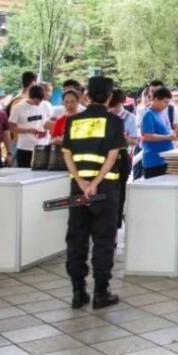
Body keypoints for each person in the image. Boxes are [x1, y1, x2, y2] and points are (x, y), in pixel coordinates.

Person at [60, 77, 123, 310]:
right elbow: (112, 157)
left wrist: (81, 181)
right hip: (104, 189)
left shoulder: (73, 121)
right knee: (103, 240)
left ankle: (78, 293)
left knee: (76, 240)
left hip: (78, 189)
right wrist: (95, 183)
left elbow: (67, 155)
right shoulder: (114, 121)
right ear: (109, 97)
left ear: (86, 96)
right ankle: (101, 292)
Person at [108, 89, 137, 225]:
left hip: (122, 156)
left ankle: (116, 222)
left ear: (123, 102)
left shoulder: (130, 118)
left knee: (120, 191)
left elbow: (134, 140)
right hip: (105, 156)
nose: (114, 109)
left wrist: (120, 139)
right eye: (111, 105)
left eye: (116, 105)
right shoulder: (105, 116)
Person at [8, 84, 52, 167]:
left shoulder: (46, 105)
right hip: (25, 147)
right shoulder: (18, 108)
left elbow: (49, 122)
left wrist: (46, 131)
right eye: (36, 101)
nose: (39, 104)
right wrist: (28, 130)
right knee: (24, 172)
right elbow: (11, 127)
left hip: (43, 146)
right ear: (30, 97)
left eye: (41, 101)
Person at [140, 87, 178, 178]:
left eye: (168, 102)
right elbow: (147, 136)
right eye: (165, 102)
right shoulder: (148, 114)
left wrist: (175, 134)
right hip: (154, 161)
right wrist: (169, 137)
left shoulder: (162, 113)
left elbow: (166, 131)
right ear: (156, 99)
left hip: (165, 159)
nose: (167, 105)